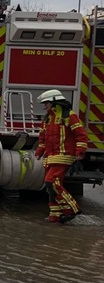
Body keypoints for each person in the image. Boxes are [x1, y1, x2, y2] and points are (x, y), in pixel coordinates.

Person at [34, 89, 88, 223]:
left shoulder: (69, 115)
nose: (44, 106)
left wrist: (80, 152)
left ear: (54, 101)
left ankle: (71, 209)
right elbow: (42, 138)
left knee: (51, 182)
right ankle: (56, 216)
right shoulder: (47, 118)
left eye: (46, 103)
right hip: (50, 157)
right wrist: (39, 151)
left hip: (63, 155)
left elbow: (80, 134)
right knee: (50, 187)